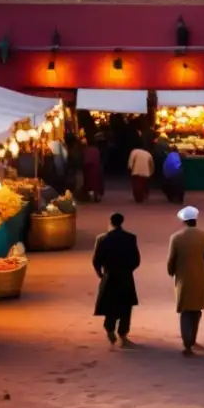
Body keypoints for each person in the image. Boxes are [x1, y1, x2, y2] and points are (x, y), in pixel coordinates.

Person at [167, 205, 204, 356]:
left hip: (183, 278)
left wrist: (172, 272)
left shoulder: (176, 237)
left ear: (183, 221)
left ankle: (187, 342)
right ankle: (193, 338)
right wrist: (203, 268)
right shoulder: (203, 235)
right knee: (196, 310)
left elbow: (171, 261)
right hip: (200, 277)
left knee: (185, 311)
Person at [92, 213, 141, 347]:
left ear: (111, 222)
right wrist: (128, 270)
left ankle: (109, 328)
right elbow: (136, 260)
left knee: (110, 304)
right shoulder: (131, 238)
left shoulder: (102, 239)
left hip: (110, 276)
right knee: (126, 305)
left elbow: (96, 260)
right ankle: (123, 334)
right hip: (125, 276)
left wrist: (101, 274)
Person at [83, 137, 103, 201]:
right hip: (95, 167)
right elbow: (98, 159)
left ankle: (86, 197)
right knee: (95, 183)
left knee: (87, 182)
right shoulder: (96, 150)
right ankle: (96, 196)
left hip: (87, 167)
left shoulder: (85, 149)